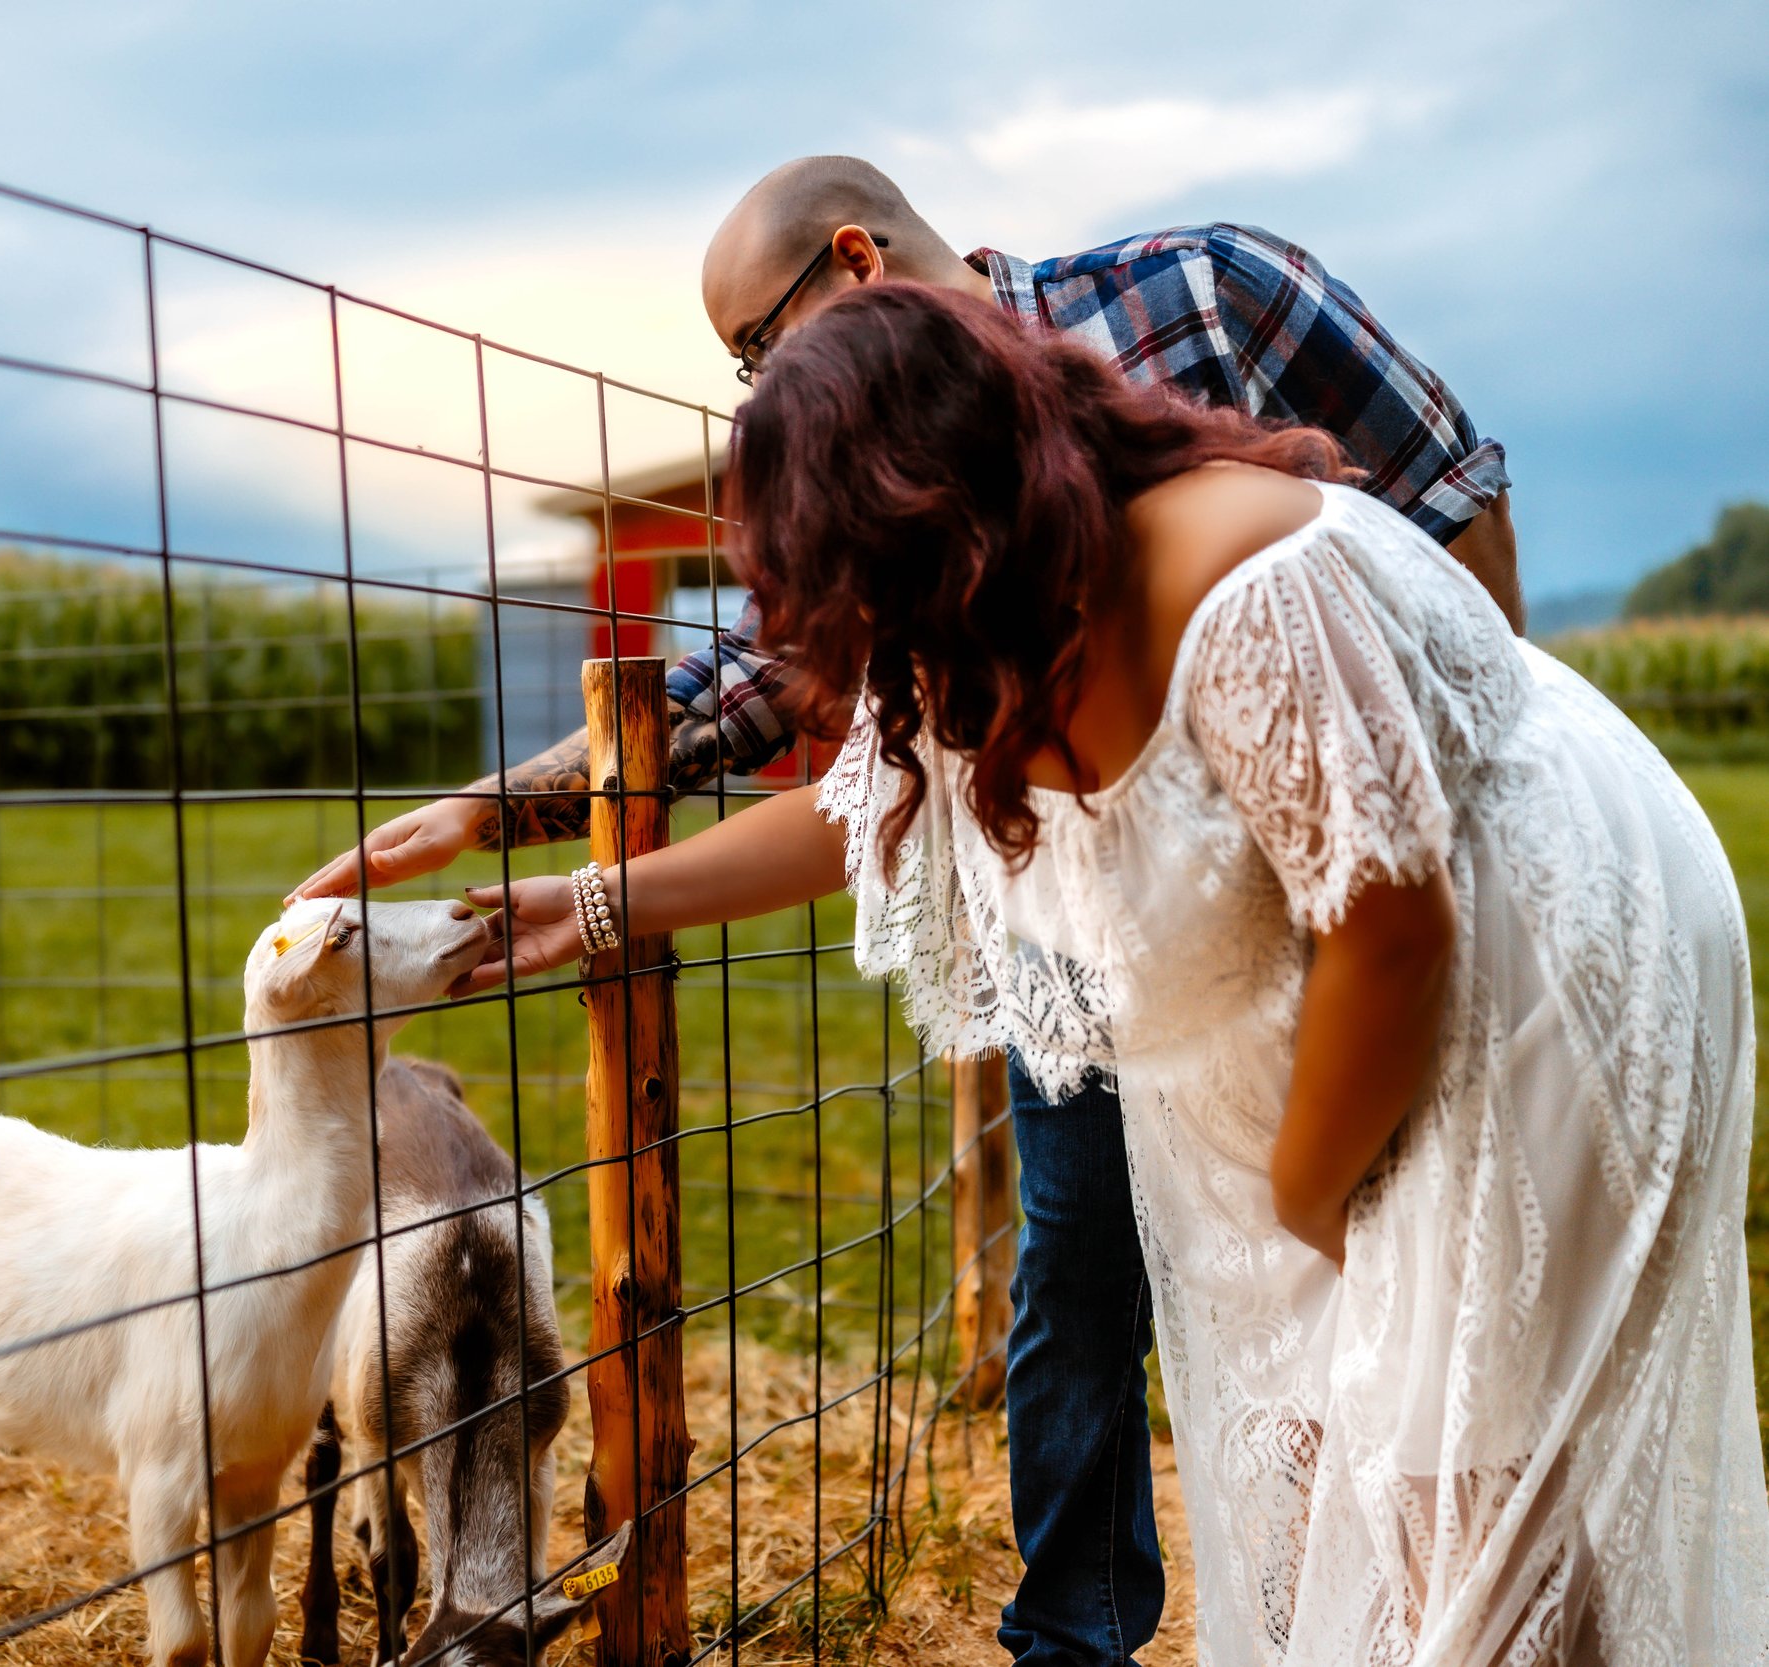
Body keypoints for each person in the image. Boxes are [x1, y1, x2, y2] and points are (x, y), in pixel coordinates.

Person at [294, 157, 1524, 1664]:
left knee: (1379, 1264)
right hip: (1093, 914)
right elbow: (811, 728)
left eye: (756, 349)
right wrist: (518, 820)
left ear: (857, 263)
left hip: (1334, 873)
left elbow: (1450, 494)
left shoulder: (1204, 298)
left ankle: (1453, 1589)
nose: (755, 389)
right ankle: (1078, 1636)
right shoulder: (889, 460)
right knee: (1078, 1257)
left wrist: (1470, 776)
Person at [462, 281, 1769, 1664]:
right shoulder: (994, 626)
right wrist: (596, 907)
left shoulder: (1244, 585)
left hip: (1527, 974)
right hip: (1356, 1004)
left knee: (1468, 1496)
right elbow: (867, 804)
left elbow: (1394, 924)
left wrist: (1306, 1187)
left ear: (927, 514)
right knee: (1354, 1476)